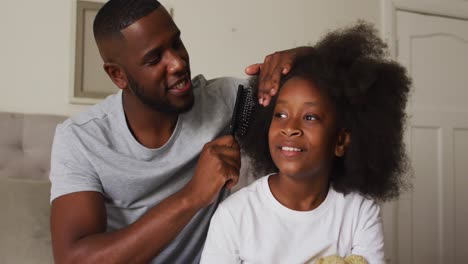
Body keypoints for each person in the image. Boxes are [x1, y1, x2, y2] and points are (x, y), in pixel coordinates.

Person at [49, 0, 312, 263]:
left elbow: (324, 91)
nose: (177, 63)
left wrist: (299, 57)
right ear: (118, 75)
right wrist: (192, 196)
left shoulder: (228, 100)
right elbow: (73, 259)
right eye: (154, 59)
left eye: (176, 43)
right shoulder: (81, 139)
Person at [200, 22, 411, 264]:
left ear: (340, 141)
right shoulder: (234, 215)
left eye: (310, 117)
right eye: (280, 115)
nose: (290, 128)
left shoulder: (359, 211)